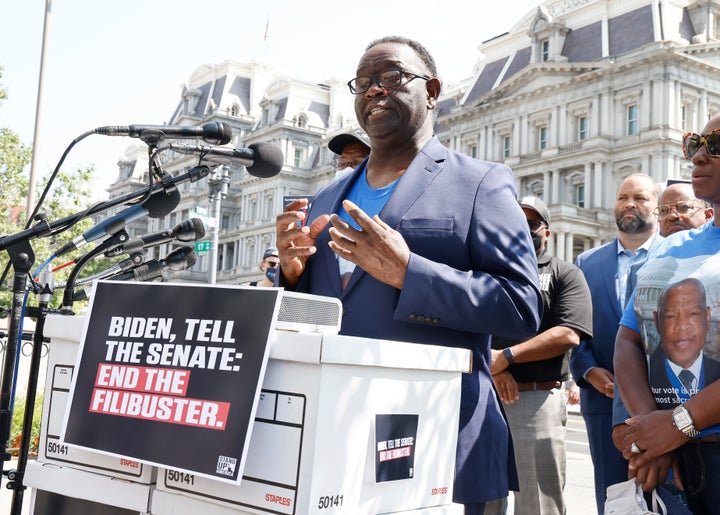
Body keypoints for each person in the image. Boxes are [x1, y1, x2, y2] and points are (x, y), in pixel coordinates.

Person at [275, 36, 543, 514]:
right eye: (364, 82)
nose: (375, 91)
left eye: (392, 78)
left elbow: (521, 308)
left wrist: (409, 273)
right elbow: (311, 318)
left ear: (432, 90)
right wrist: (291, 280)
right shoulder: (323, 201)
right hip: (334, 447)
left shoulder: (480, 182)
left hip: (441, 449)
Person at [615, 113, 720, 514]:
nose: (698, 157)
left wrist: (676, 425)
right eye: (695, 144)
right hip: (675, 465)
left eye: (717, 145)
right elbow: (629, 337)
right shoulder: (671, 248)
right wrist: (651, 433)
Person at [487, 196, 592, 515]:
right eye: (517, 221)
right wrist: (494, 368)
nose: (523, 228)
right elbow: (467, 323)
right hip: (487, 396)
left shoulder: (564, 273)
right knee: (482, 500)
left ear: (546, 232)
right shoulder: (489, 272)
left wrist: (507, 357)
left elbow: (568, 333)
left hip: (536, 400)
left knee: (538, 505)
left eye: (532, 223)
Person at [569, 173, 662, 514]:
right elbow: (572, 328)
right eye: (623, 197)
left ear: (657, 205)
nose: (629, 204)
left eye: (640, 198)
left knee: (663, 493)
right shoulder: (587, 263)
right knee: (611, 495)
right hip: (602, 402)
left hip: (661, 404)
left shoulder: (675, 255)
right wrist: (588, 369)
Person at [648, 279, 720, 409]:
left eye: (693, 314)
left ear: (707, 316)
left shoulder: (717, 369)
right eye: (670, 316)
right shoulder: (641, 374)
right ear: (657, 320)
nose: (682, 326)